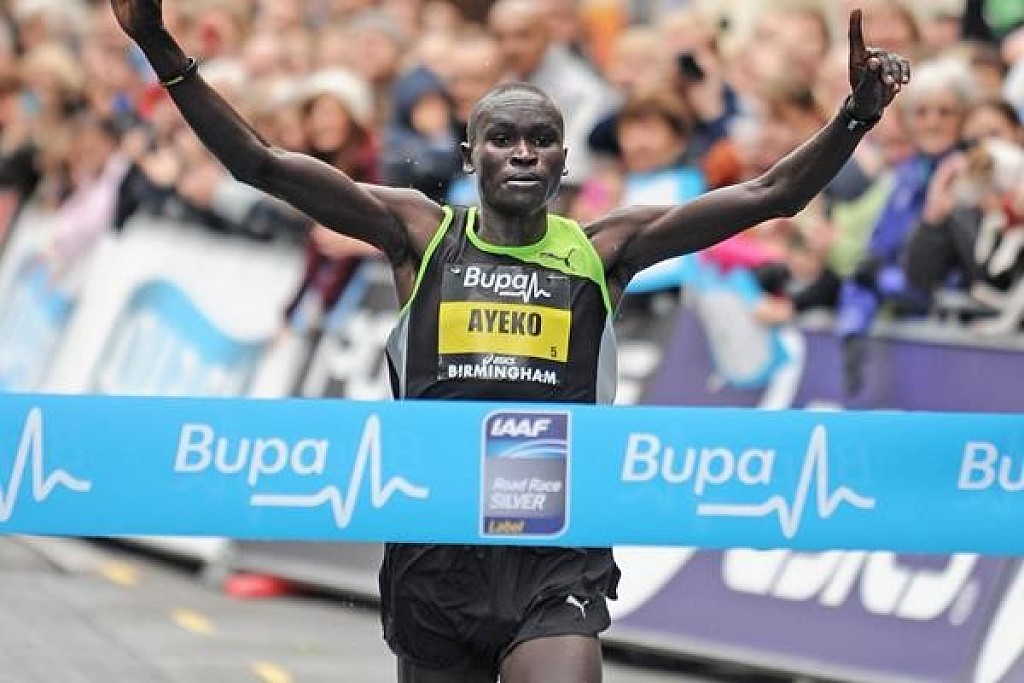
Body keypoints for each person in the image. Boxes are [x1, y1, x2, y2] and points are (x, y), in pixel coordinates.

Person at [109, 2, 910, 681]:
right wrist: (158, 45)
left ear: (563, 159)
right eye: (502, 138)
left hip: (552, 551)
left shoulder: (604, 249)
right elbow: (261, 165)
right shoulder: (419, 233)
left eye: (540, 139)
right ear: (470, 155)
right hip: (437, 546)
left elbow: (773, 193)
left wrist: (856, 115)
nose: (523, 152)